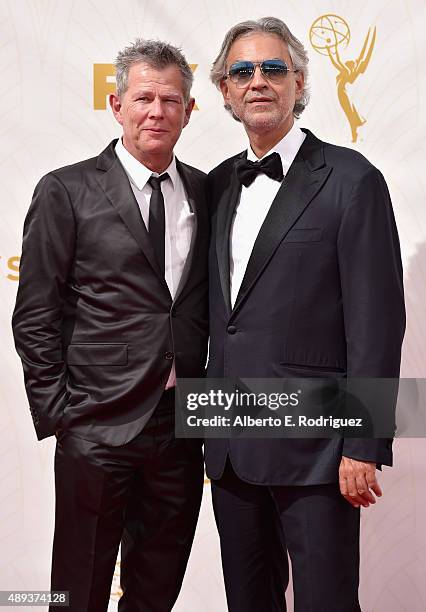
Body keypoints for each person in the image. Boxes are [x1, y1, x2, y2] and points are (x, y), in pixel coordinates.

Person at [205, 17, 405, 612]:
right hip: (229, 442)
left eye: (273, 68)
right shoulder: (215, 186)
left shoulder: (352, 180)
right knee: (247, 601)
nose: (258, 81)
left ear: (299, 81)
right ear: (224, 90)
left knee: (326, 601)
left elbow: (378, 322)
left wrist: (364, 444)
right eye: (242, 71)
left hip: (319, 451)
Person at [12, 38, 209, 612]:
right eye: (143, 97)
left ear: (189, 112)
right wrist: (64, 414)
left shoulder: (205, 188)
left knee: (157, 586)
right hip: (96, 425)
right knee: (76, 587)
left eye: (171, 100)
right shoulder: (66, 189)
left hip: (180, 426)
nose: (156, 111)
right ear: (116, 104)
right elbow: (35, 312)